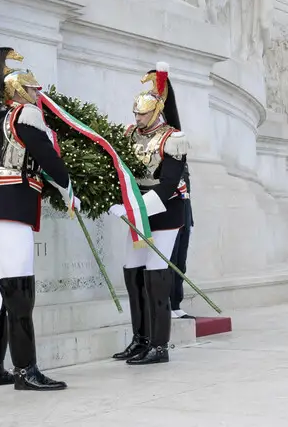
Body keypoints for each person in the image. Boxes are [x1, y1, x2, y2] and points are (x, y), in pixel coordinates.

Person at [0, 46, 80, 392]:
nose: (38, 95)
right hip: (11, 207)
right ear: (19, 90)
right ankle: (25, 370)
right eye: (33, 89)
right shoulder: (25, 115)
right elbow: (47, 158)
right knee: (20, 289)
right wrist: (67, 188)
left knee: (3, 291)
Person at [110, 62, 189, 366]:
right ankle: (140, 339)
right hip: (138, 210)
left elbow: (168, 184)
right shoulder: (131, 133)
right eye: (136, 113)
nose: (138, 118)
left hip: (164, 212)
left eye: (142, 114)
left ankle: (159, 345)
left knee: (157, 275)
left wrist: (136, 207)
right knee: (133, 273)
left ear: (156, 111)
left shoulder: (174, 138)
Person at [169, 170, 194, 319]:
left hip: (185, 217)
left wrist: (190, 219)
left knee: (180, 264)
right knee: (170, 263)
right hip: (171, 219)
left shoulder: (182, 164)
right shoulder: (167, 163)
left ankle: (176, 304)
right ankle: (167, 304)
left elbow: (187, 194)